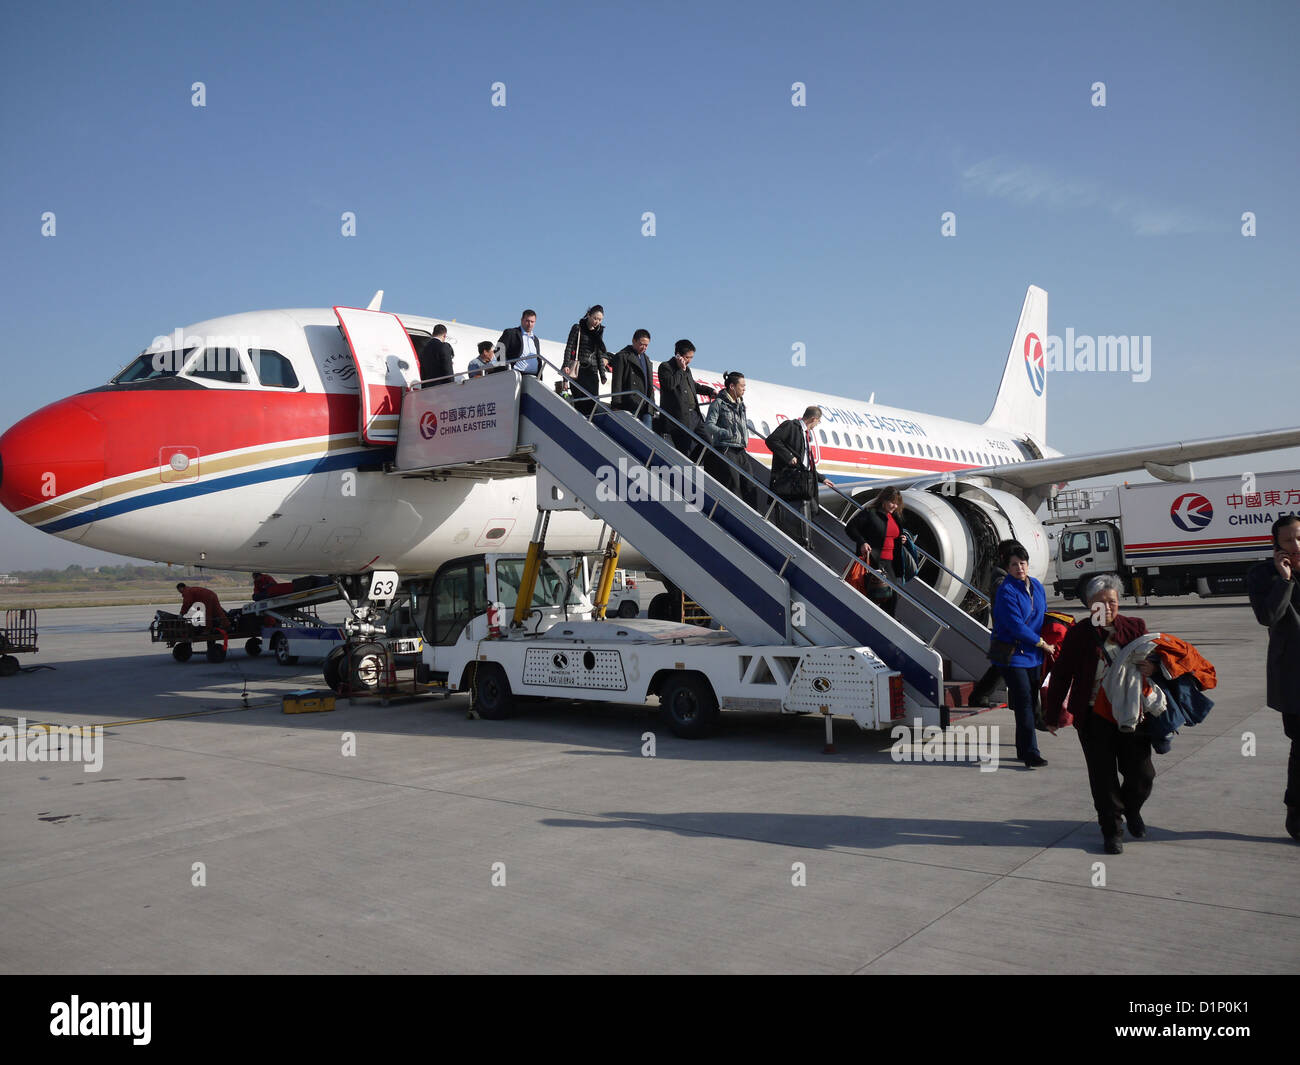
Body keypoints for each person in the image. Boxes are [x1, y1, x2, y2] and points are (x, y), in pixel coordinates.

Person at [1043, 573, 1155, 854]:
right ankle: (1112, 830)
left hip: (1131, 715)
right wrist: (1052, 714)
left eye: (1113, 601)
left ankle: (1132, 809)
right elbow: (1061, 675)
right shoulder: (1080, 634)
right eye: (1100, 602)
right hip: (1093, 717)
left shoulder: (1135, 627)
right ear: (1090, 605)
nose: (1107, 607)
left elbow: (1155, 661)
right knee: (1103, 778)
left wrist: (1151, 667)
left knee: (1142, 774)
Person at [1246, 513, 1300, 841]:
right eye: (1288, 540)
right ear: (1276, 545)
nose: (1296, 545)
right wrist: (1284, 579)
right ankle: (1295, 812)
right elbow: (1268, 617)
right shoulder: (1263, 575)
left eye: (1299, 537)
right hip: (1293, 677)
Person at [989, 540, 1053, 771]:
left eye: (1022, 563)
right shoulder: (1005, 590)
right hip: (1014, 653)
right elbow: (1015, 625)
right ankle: (1030, 753)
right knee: (1025, 702)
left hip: (1034, 654)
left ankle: (1021, 747)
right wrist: (1041, 642)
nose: (1019, 568)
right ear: (1007, 567)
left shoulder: (1036, 585)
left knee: (1029, 700)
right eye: (1014, 564)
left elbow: (1042, 615)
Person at [764, 406, 832, 547]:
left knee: (809, 512)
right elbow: (771, 440)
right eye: (818, 422)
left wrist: (821, 478)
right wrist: (788, 457)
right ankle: (798, 543)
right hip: (790, 482)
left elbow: (806, 462)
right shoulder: (791, 426)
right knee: (793, 517)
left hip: (802, 482)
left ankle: (806, 542)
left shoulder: (805, 434)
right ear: (813, 419)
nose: (816, 426)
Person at [845, 487, 911, 617]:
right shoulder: (870, 513)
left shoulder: (894, 516)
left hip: (889, 564)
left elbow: (893, 534)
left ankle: (887, 626)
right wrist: (862, 542)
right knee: (872, 595)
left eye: (897, 503)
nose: (895, 506)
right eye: (892, 502)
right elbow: (850, 528)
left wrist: (901, 538)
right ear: (884, 500)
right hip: (873, 561)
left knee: (891, 598)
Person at [656, 339, 716, 457]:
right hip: (680, 416)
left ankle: (694, 461)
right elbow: (670, 385)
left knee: (709, 443)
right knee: (684, 448)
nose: (689, 361)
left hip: (694, 415)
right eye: (687, 357)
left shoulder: (687, 370)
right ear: (678, 355)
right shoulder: (665, 367)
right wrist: (680, 369)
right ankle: (688, 466)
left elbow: (693, 385)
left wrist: (710, 391)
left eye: (691, 357)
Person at [562, 305, 609, 416]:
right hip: (579, 370)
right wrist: (565, 365)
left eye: (600, 319)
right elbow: (569, 347)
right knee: (580, 403)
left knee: (593, 403)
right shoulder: (578, 328)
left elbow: (599, 354)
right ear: (588, 315)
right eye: (595, 318)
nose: (597, 321)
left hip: (592, 372)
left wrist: (602, 374)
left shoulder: (598, 332)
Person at [610, 329, 655, 428]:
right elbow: (617, 382)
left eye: (646, 345)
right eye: (642, 344)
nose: (644, 347)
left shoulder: (646, 359)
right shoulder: (623, 356)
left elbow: (650, 384)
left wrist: (652, 406)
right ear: (634, 341)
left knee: (648, 438)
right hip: (630, 403)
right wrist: (616, 404)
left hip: (646, 405)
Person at [497, 310, 542, 379]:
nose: (529, 324)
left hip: (533, 377)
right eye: (527, 321)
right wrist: (506, 370)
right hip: (515, 376)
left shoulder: (535, 339)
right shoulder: (511, 333)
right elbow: (499, 351)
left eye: (532, 322)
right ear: (522, 320)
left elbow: (538, 359)